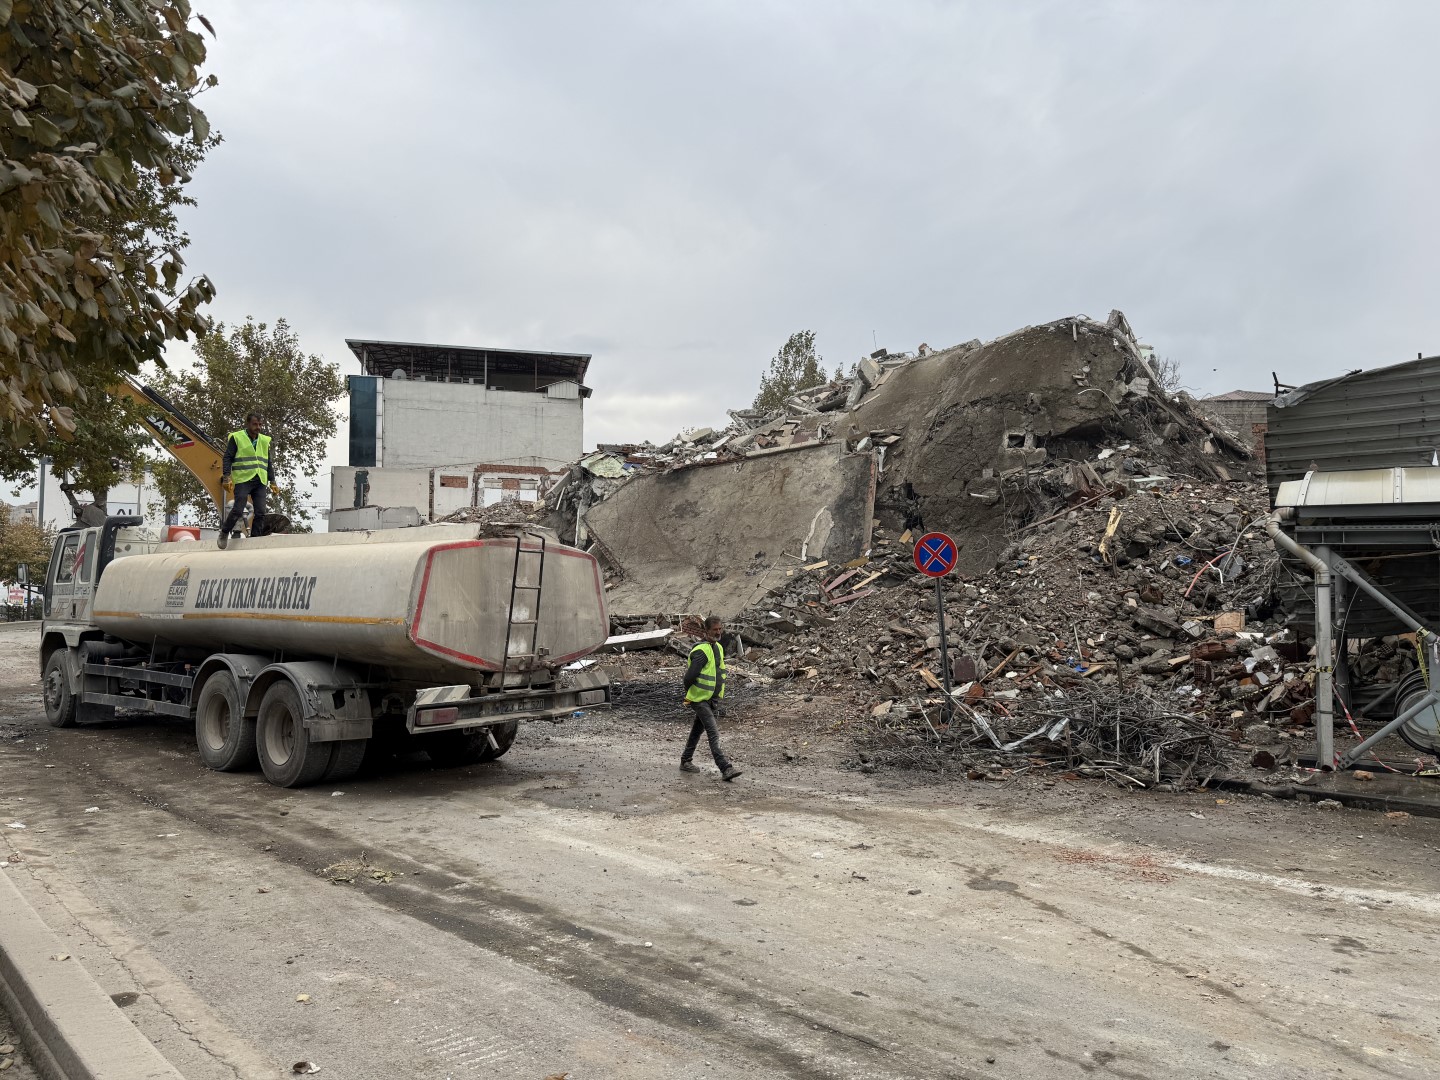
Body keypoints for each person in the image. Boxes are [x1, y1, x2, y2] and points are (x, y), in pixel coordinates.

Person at [681, 615, 742, 781]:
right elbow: (689, 678)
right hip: (700, 699)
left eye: (720, 629)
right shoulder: (701, 651)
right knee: (713, 732)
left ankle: (686, 760)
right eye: (714, 630)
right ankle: (725, 768)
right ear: (706, 631)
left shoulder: (718, 648)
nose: (718, 632)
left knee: (697, 730)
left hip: (710, 700)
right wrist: (690, 696)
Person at [217, 412, 278, 549]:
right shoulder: (237, 438)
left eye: (260, 424)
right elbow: (227, 457)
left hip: (260, 480)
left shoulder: (264, 440)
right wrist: (227, 476)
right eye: (255, 424)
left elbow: (268, 462)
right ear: (248, 424)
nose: (258, 427)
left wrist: (272, 481)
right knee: (238, 509)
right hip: (244, 479)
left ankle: (255, 540)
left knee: (261, 511)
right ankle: (224, 532)